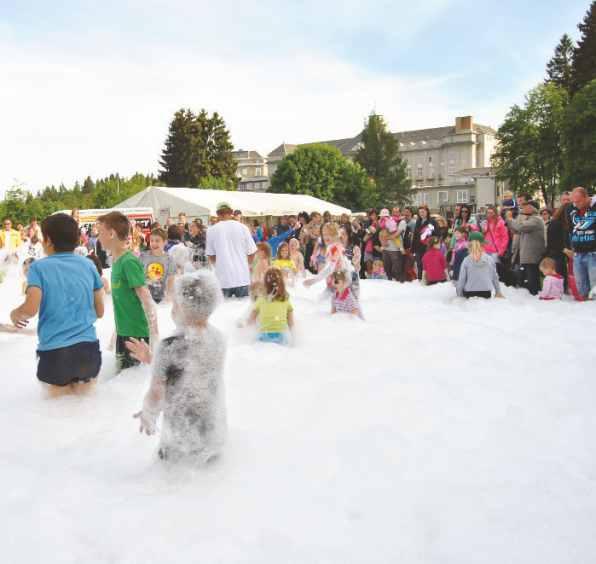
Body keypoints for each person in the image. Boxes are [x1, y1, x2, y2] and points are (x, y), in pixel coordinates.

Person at [128, 269, 227, 464]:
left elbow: (157, 393)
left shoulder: (169, 347)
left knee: (173, 480)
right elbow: (195, 371)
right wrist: (152, 359)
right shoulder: (218, 339)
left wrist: (148, 414)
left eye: (175, 303)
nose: (172, 307)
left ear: (182, 307)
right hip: (212, 432)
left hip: (180, 438)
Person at [9, 213, 104, 395]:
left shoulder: (38, 268)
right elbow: (100, 311)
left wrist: (15, 314)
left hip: (55, 353)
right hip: (88, 352)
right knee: (85, 405)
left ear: (48, 241)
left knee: (57, 411)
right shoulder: (88, 265)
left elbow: (30, 309)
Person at [97, 211, 158, 372]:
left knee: (132, 381)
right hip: (124, 333)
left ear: (111, 233)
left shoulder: (129, 262)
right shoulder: (117, 262)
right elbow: (123, 304)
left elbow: (146, 299)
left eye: (100, 232)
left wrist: (154, 337)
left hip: (136, 336)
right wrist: (116, 335)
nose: (98, 237)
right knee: (123, 380)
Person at [206, 202, 257, 298]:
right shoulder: (243, 228)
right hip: (242, 278)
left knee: (225, 311)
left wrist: (221, 265)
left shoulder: (211, 230)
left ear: (217, 214)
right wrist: (246, 265)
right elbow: (252, 252)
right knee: (241, 309)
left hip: (223, 279)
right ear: (232, 212)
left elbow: (211, 256)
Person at [505, 201, 546, 296]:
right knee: (525, 280)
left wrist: (511, 218)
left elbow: (520, 227)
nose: (522, 208)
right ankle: (531, 298)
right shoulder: (529, 219)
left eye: (525, 207)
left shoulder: (536, 219)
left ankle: (535, 297)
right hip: (527, 256)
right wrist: (510, 220)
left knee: (532, 281)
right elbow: (516, 229)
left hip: (532, 257)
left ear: (532, 208)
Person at [248, 267, 294, 345]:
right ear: (282, 283)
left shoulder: (261, 299)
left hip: (264, 336)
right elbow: (291, 323)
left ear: (264, 284)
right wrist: (293, 335)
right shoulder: (285, 300)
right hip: (282, 337)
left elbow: (251, 320)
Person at [565, 187, 596, 300]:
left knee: (595, 287)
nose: (576, 204)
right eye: (573, 201)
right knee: (581, 287)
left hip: (593, 252)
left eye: (578, 201)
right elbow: (569, 229)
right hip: (578, 252)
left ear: (586, 197)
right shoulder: (570, 209)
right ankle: (586, 311)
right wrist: (568, 247)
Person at [456, 232, 503, 299]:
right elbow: (495, 277)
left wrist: (459, 294)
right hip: (486, 293)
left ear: (470, 245)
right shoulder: (490, 259)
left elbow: (462, 279)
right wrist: (498, 292)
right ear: (483, 245)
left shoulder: (466, 260)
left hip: (469, 293)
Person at [140, 228, 176, 304]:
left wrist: (168, 295)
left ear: (165, 242)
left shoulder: (169, 259)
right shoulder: (143, 256)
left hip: (161, 297)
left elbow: (171, 279)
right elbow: (138, 274)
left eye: (157, 241)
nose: (154, 243)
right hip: (146, 296)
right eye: (151, 240)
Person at [412, 205, 437, 280]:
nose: (421, 213)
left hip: (428, 247)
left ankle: (429, 279)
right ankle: (420, 279)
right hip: (418, 247)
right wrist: (413, 248)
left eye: (423, 212)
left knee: (428, 264)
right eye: (420, 212)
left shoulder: (432, 221)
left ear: (427, 212)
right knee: (419, 264)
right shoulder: (418, 221)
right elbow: (415, 235)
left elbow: (437, 234)